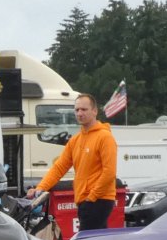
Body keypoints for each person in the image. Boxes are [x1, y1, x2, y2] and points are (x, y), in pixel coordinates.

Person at [26, 92, 119, 231]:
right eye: (77, 110)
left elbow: (109, 172)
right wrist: (41, 187)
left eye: (84, 109)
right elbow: (59, 167)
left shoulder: (105, 137)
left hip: (99, 199)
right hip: (84, 200)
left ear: (94, 111)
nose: (80, 113)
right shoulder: (75, 140)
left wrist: (92, 197)